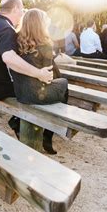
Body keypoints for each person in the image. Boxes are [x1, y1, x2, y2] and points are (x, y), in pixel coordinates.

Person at [0, 0, 53, 138]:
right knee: (46, 90)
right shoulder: (6, 29)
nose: (22, 14)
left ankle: (20, 122)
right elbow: (9, 58)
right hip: (0, 88)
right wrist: (38, 73)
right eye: (22, 10)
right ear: (16, 8)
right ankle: (27, 127)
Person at [11, 9, 69, 154]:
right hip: (35, 95)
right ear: (41, 24)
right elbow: (48, 76)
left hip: (20, 93)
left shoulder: (16, 41)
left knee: (59, 82)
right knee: (64, 83)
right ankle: (48, 135)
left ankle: (16, 121)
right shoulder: (45, 44)